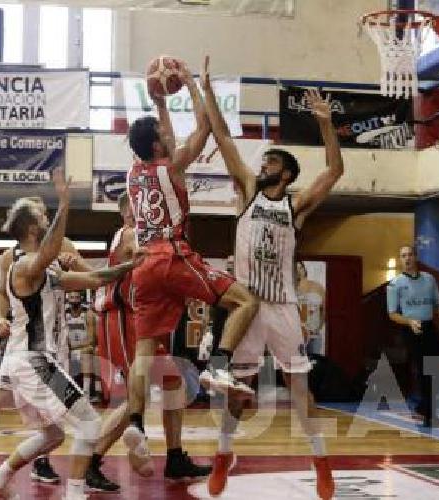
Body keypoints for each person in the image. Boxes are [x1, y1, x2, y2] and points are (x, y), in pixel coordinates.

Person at [202, 56, 345, 498]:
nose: (260, 165)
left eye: (269, 163)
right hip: (247, 305)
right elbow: (223, 136)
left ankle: (321, 460)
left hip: (282, 305)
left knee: (298, 386)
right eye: (262, 162)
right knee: (236, 392)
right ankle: (224, 455)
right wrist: (207, 90)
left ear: (284, 173)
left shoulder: (295, 205)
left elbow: (335, 171)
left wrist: (325, 125)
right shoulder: (247, 190)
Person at [0, 169, 140, 500]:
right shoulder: (25, 265)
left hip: (28, 362)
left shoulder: (47, 269)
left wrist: (132, 266)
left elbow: (97, 279)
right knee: (89, 424)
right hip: (34, 362)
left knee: (52, 435)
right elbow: (48, 251)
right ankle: (74, 493)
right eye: (41, 217)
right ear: (32, 228)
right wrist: (65, 203)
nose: (46, 220)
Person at [123, 59, 260, 489]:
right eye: (164, 134)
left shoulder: (135, 173)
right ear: (159, 145)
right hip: (173, 255)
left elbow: (167, 139)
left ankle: (138, 426)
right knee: (245, 301)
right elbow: (202, 131)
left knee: (148, 352)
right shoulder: (171, 166)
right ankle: (219, 365)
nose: (168, 135)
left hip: (144, 266)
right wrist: (199, 88)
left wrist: (160, 104)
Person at [386, 244, 439, 427]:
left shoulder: (429, 279)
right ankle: (429, 414)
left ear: (415, 257)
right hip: (411, 328)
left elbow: (437, 303)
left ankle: (423, 405)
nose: (407, 259)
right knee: (424, 369)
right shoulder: (395, 284)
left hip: (429, 327)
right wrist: (409, 321)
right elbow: (392, 314)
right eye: (403, 255)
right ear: (400, 259)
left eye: (410, 255)